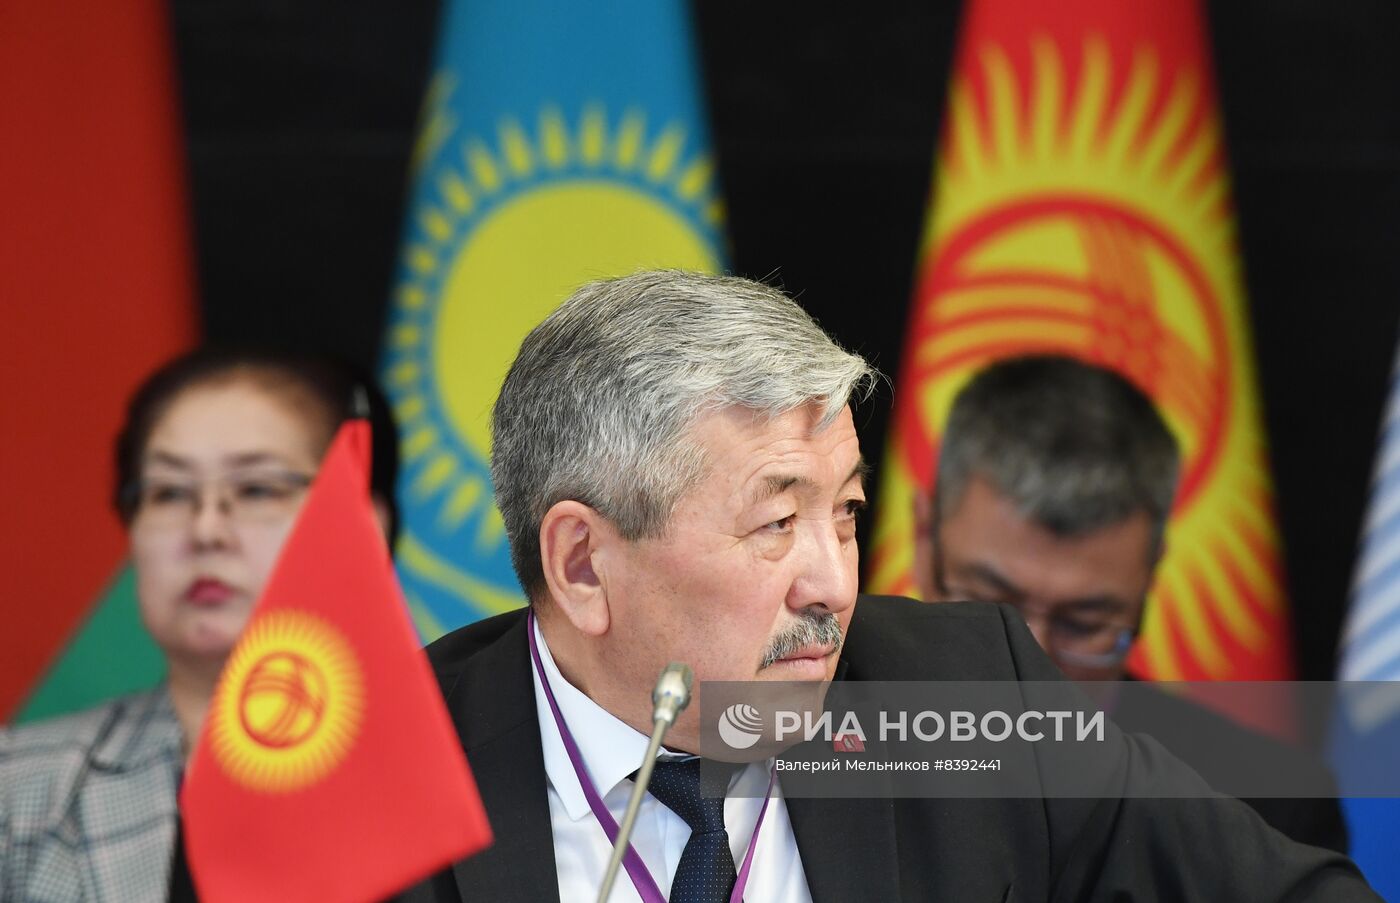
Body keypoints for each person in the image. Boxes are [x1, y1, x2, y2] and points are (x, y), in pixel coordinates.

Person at [404, 271, 1377, 902]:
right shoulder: (387, 776)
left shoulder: (963, 694)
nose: (833, 585)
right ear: (582, 563)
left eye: (846, 513)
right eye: (776, 525)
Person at [0, 347, 399, 902]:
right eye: (169, 493)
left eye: (256, 489)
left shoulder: (471, 771)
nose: (206, 529)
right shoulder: (17, 788)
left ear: (366, 526)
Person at [911, 353, 1349, 853]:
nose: (1029, 669)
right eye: (992, 605)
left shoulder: (1265, 812)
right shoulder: (834, 745)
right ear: (924, 539)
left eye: (1083, 623)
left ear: (1149, 578)